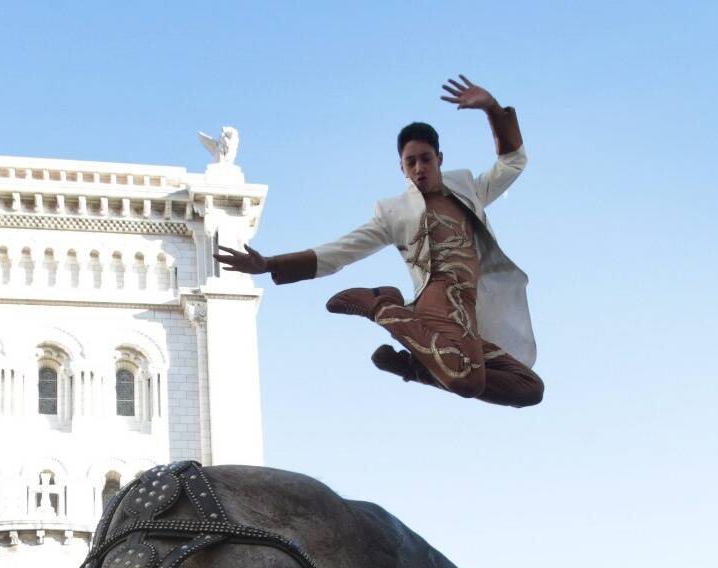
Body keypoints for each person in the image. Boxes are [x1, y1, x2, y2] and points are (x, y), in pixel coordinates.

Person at [214, 76, 543, 408]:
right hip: (435, 305)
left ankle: (415, 366)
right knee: (467, 381)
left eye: (425, 159)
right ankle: (380, 306)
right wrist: (270, 263)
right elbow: (343, 249)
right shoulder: (394, 212)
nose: (419, 168)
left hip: (467, 311)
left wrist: (491, 108)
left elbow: (513, 162)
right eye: (410, 162)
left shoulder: (469, 188)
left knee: (529, 388)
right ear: (401, 167)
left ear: (439, 159)